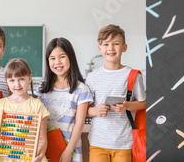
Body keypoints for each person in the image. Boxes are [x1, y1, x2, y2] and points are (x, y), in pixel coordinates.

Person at [85, 24, 146, 162]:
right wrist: (96, 110)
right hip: (98, 142)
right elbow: (85, 110)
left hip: (124, 143)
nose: (111, 48)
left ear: (124, 47)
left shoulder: (133, 75)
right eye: (106, 44)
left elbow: (143, 103)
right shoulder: (92, 77)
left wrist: (127, 106)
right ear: (100, 49)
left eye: (116, 44)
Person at [35, 38, 92, 162]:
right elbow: (37, 120)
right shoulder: (42, 89)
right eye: (52, 58)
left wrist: (67, 151)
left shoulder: (81, 89)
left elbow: (79, 123)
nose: (57, 62)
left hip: (71, 150)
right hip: (45, 150)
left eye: (62, 57)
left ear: (70, 58)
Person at [0, 59, 50, 162]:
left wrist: (39, 155)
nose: (17, 84)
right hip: (5, 157)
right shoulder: (0, 104)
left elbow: (42, 138)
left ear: (29, 78)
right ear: (6, 81)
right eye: (12, 80)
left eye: (21, 79)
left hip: (31, 158)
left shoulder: (37, 105)